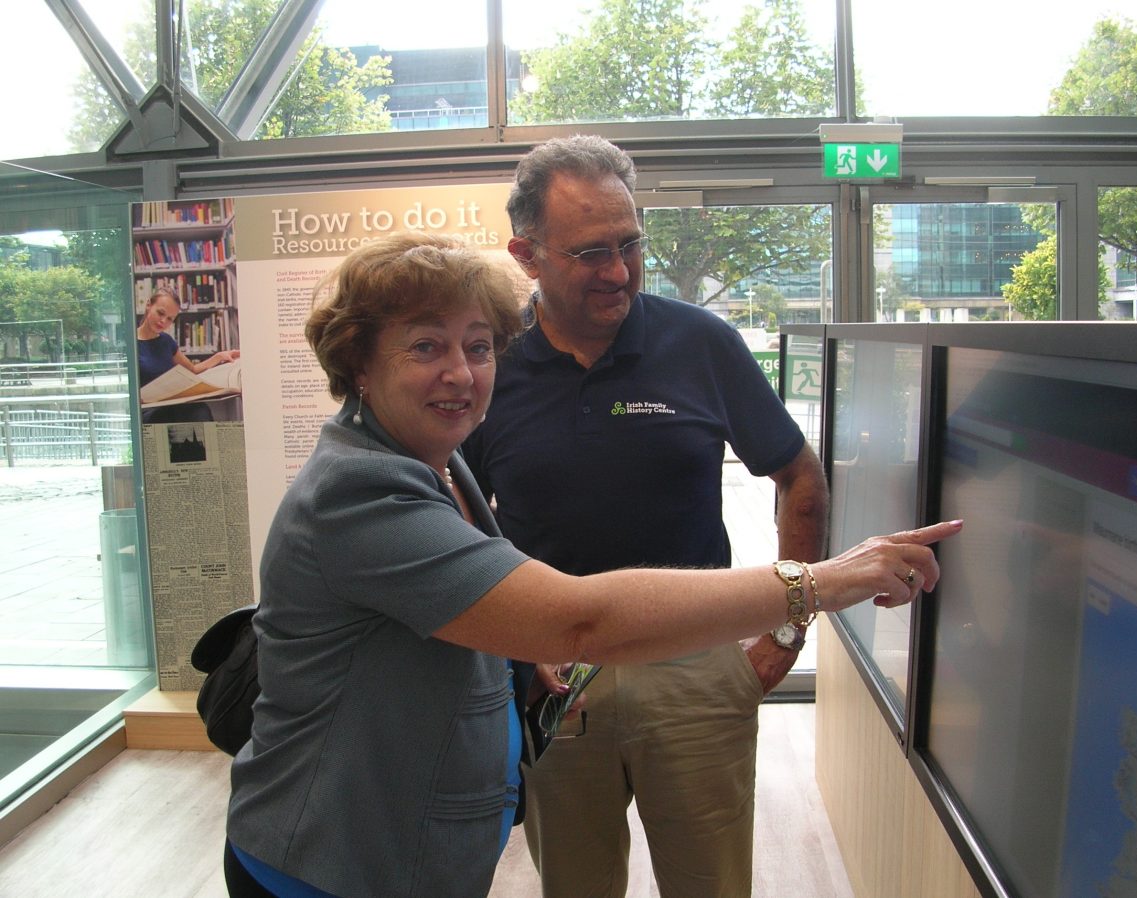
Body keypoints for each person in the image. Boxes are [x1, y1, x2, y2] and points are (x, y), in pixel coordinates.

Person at [223, 231, 960, 898]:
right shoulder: (360, 489)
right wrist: (819, 584)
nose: (461, 373)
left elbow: (467, 589)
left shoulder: (436, 464)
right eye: (425, 348)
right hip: (329, 864)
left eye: (478, 348)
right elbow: (579, 619)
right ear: (358, 365)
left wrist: (519, 664)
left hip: (405, 849)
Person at [462, 133, 830, 898]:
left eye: (631, 244)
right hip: (556, 684)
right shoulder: (489, 365)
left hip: (697, 673)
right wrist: (507, 650)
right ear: (526, 256)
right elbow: (462, 520)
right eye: (591, 252)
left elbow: (799, 475)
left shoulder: (700, 343)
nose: (620, 270)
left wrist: (784, 635)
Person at [136, 285, 240, 423]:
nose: (163, 321)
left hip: (170, 405)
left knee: (200, 410)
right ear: (149, 305)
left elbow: (192, 370)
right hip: (146, 410)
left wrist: (219, 357)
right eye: (160, 313)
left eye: (170, 319)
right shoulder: (131, 344)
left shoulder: (166, 341)